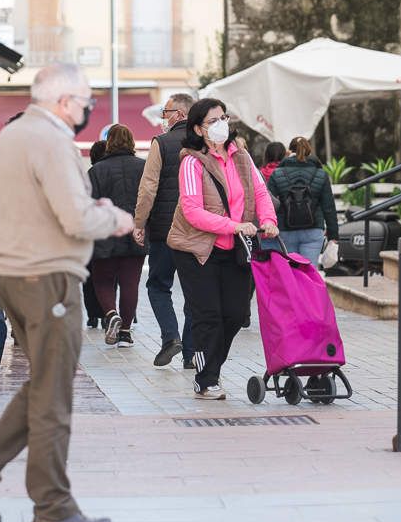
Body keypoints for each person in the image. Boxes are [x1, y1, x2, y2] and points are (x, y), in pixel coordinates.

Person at [0, 63, 131, 522]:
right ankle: (53, 510)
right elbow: (74, 218)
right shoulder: (50, 140)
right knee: (54, 399)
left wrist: (92, 208)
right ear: (64, 100)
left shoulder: (13, 135)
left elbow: (41, 206)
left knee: (43, 386)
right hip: (47, 278)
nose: (89, 107)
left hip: (15, 275)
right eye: (86, 98)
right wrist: (115, 219)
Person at [166, 98, 278, 400]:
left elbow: (260, 191)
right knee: (208, 315)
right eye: (213, 121)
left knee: (236, 312)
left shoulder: (240, 156)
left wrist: (267, 219)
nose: (221, 125)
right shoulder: (191, 162)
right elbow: (192, 211)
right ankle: (205, 378)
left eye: (223, 118)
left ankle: (211, 366)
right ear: (199, 129)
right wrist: (234, 225)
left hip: (236, 248)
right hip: (197, 249)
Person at [133, 93, 195, 368]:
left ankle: (171, 337)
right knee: (196, 290)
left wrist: (139, 223)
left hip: (165, 229)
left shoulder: (161, 143)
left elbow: (148, 188)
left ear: (180, 114)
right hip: (198, 230)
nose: (163, 119)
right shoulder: (204, 143)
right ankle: (192, 353)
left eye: (166, 112)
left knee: (158, 286)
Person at [89, 124, 148, 346]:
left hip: (106, 232)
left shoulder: (96, 170)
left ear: (109, 142)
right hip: (136, 230)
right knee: (130, 282)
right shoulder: (143, 167)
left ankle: (111, 313)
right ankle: (125, 332)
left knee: (102, 280)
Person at [267, 135, 338, 263]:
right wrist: (333, 235)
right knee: (309, 272)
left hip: (285, 230)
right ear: (309, 151)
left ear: (289, 151)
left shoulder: (277, 174)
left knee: (291, 272)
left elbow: (268, 202)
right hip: (313, 229)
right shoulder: (321, 174)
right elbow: (329, 207)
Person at [82, 140, 108, 329]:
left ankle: (92, 316)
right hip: (115, 229)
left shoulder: (93, 173)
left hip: (94, 231)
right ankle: (109, 313)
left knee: (90, 276)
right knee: (110, 277)